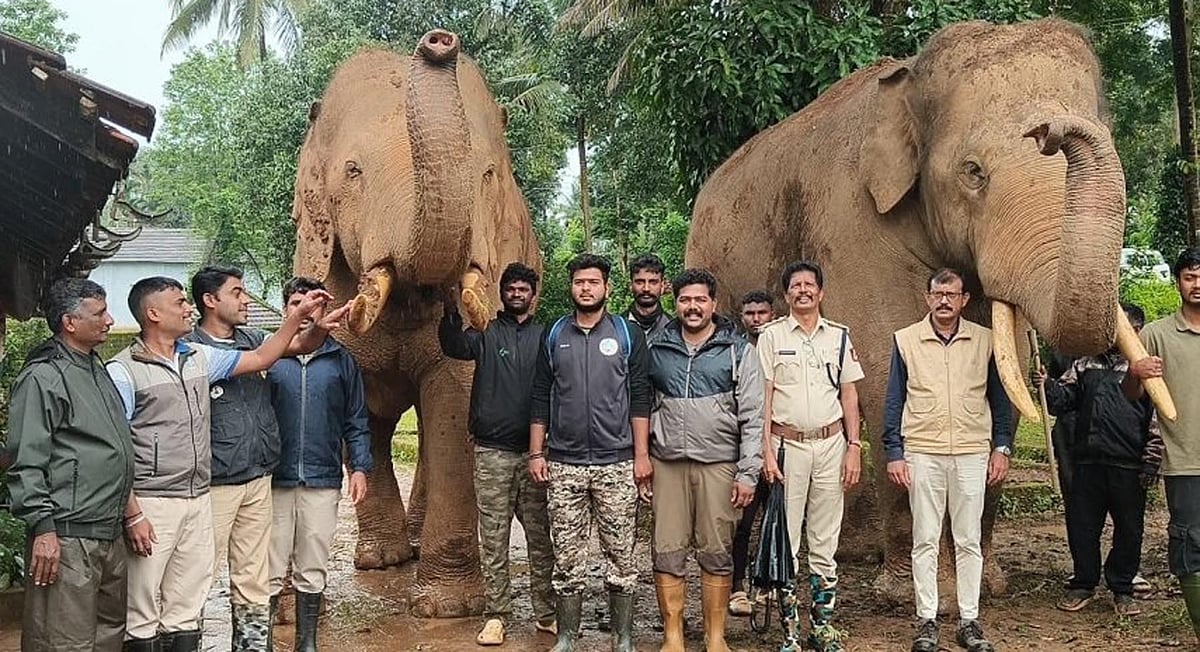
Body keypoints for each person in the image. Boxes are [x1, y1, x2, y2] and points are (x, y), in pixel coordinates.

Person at [106, 276, 344, 651]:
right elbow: (115, 447)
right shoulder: (124, 370)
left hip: (241, 481)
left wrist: (305, 320)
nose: (186, 308)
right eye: (179, 302)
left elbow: (274, 353)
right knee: (155, 597)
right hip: (175, 495)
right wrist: (132, 512)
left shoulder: (199, 358)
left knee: (229, 585)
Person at [882, 268, 1013, 652]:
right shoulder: (906, 340)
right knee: (924, 539)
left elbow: (999, 398)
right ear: (927, 298)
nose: (944, 301)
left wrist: (1001, 446)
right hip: (922, 450)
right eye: (937, 293)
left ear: (964, 300)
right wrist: (894, 453)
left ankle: (969, 621)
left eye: (951, 294)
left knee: (969, 539)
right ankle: (927, 620)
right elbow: (894, 401)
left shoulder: (985, 340)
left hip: (973, 451)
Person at [529, 253, 652, 652]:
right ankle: (566, 635)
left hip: (616, 464)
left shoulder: (627, 334)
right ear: (572, 287)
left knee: (621, 554)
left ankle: (623, 636)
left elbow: (639, 397)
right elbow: (539, 397)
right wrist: (536, 453)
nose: (586, 288)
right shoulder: (555, 334)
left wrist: (642, 455)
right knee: (567, 556)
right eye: (580, 282)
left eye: (593, 282)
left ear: (607, 288)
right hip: (564, 465)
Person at [5, 279, 133, 652]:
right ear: (69, 322)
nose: (109, 321)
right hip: (67, 533)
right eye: (99, 313)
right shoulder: (43, 376)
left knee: (108, 634)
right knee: (63, 641)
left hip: (108, 530)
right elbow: (26, 460)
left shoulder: (95, 368)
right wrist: (43, 529)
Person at [438, 262, 556, 646]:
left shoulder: (547, 337)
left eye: (524, 289)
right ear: (501, 294)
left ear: (533, 296)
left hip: (537, 454)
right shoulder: (485, 333)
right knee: (493, 537)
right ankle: (497, 615)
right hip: (492, 453)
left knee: (541, 538)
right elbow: (453, 345)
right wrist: (449, 307)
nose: (518, 294)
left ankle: (547, 612)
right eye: (511, 289)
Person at [646, 268, 764, 652]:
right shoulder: (657, 349)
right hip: (667, 465)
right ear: (675, 303)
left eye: (700, 300)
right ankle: (673, 637)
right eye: (684, 300)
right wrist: (643, 460)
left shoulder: (737, 351)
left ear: (713, 304)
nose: (692, 307)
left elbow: (753, 416)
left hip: (719, 465)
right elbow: (642, 409)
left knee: (716, 550)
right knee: (667, 549)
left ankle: (716, 638)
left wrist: (748, 473)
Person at [758, 261, 864, 652]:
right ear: (786, 294)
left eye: (809, 285)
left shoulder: (839, 336)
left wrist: (854, 447)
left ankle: (822, 629)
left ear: (821, 292)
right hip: (787, 448)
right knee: (786, 540)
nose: (803, 290)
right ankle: (789, 634)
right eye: (795, 285)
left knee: (825, 538)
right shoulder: (770, 336)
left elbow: (849, 395)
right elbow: (763, 398)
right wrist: (766, 452)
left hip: (831, 446)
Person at [1033, 303, 1161, 617]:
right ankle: (1084, 583)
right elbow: (1062, 402)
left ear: (1137, 332)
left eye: (1125, 331)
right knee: (1083, 525)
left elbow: (1158, 419)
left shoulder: (1148, 369)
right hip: (1087, 461)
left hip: (1129, 464)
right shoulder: (1084, 364)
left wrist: (1151, 461)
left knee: (1129, 530)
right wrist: (1046, 384)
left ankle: (1122, 587)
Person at [184, 266, 287, 650]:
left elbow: (294, 345)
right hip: (214, 483)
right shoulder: (190, 351)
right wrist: (295, 321)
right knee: (197, 575)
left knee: (253, 578)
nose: (246, 300)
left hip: (258, 476)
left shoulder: (255, 338)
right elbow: (268, 356)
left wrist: (320, 325)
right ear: (210, 301)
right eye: (238, 292)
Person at [267, 277, 372, 652]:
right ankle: (260, 642)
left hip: (322, 478)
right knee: (269, 566)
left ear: (325, 311)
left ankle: (306, 643)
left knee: (313, 564)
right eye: (297, 303)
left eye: (313, 305)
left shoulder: (342, 361)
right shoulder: (269, 357)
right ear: (285, 309)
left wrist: (359, 466)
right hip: (271, 480)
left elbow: (356, 420)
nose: (305, 311)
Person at [1124, 246, 1200, 643]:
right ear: (1178, 282)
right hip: (1186, 459)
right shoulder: (1155, 334)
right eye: (1190, 276)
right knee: (1190, 543)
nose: (1197, 284)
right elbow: (1132, 394)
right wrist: (1136, 372)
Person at [729, 289, 776, 616]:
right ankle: (736, 588)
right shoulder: (734, 350)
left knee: (775, 520)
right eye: (750, 313)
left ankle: (767, 583)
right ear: (741, 316)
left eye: (762, 313)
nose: (756, 319)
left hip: (779, 446)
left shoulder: (780, 347)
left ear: (772, 315)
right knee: (741, 523)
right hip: (744, 449)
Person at [626, 253, 672, 341]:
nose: (646, 288)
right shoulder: (618, 327)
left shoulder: (673, 329)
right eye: (640, 282)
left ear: (662, 286)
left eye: (653, 282)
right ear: (631, 286)